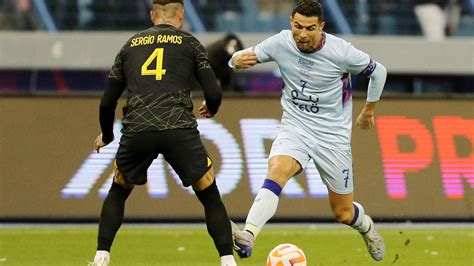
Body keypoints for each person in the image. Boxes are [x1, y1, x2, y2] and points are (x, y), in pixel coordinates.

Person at [229, 0, 387, 262]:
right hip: (295, 126)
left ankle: (367, 228)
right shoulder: (281, 42)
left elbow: (378, 71)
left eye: (310, 28)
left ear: (321, 27)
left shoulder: (341, 52)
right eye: (298, 26)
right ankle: (249, 234)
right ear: (291, 22)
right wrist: (236, 60)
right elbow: (239, 58)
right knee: (277, 171)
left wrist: (368, 110)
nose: (302, 34)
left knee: (343, 213)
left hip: (332, 137)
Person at [89, 1, 237, 265]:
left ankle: (101, 256)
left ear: (152, 16)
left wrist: (107, 136)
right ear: (181, 16)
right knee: (209, 193)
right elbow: (214, 92)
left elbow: (106, 103)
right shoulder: (190, 43)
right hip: (178, 128)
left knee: (119, 189)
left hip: (138, 129)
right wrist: (211, 108)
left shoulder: (130, 45)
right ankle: (227, 260)